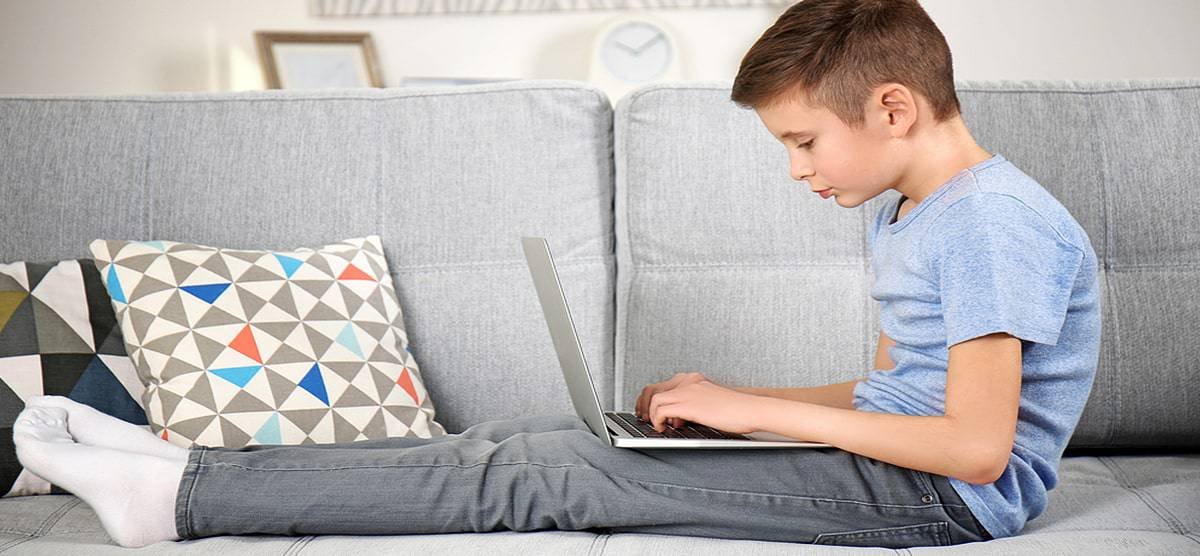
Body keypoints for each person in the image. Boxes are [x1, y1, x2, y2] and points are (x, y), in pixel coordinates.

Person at [12, 0, 1099, 549]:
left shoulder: (993, 222)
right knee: (518, 438)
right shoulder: (912, 207)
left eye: (804, 141)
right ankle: (197, 454)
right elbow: (887, 390)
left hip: (940, 503)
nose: (798, 168)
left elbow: (973, 444)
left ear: (894, 107)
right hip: (892, 461)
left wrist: (756, 408)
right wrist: (722, 402)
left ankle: (180, 499)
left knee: (537, 477)